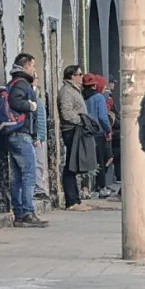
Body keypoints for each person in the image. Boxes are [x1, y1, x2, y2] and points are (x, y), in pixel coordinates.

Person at [6, 53, 48, 228]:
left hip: (14, 134)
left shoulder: (14, 82)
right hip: (22, 134)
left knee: (17, 176)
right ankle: (27, 212)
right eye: (32, 65)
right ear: (25, 66)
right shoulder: (22, 83)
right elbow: (16, 101)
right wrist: (32, 105)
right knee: (29, 174)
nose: (34, 69)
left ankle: (19, 213)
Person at [58, 64, 92, 212]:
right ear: (72, 76)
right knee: (71, 165)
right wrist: (81, 120)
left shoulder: (74, 90)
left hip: (76, 129)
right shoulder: (67, 91)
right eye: (79, 74)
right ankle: (71, 201)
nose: (82, 77)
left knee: (74, 164)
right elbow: (66, 113)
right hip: (71, 130)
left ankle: (75, 199)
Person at [83, 73, 114, 198]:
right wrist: (108, 130)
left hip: (85, 132)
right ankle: (101, 187)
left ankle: (85, 188)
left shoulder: (82, 98)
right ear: (95, 85)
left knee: (86, 160)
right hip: (98, 133)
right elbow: (102, 117)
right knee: (100, 160)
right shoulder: (99, 98)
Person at [32, 73, 49, 200]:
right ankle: (37, 189)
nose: (37, 80)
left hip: (40, 136)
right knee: (37, 163)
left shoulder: (37, 94)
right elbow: (34, 118)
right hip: (37, 136)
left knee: (39, 163)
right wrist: (37, 136)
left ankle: (38, 188)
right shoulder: (32, 95)